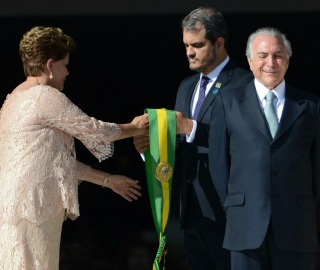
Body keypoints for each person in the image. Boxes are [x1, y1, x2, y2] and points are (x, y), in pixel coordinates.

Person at [0, 26, 149, 270]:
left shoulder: (13, 99)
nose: (67, 72)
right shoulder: (43, 96)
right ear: (50, 65)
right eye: (65, 64)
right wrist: (135, 127)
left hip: (18, 208)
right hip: (32, 209)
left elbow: (52, 163)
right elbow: (94, 130)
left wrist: (107, 180)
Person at [134, 6, 251, 269]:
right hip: (191, 213)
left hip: (229, 212)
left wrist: (192, 128)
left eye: (197, 45)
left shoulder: (244, 84)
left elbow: (246, 143)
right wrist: (151, 149)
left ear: (219, 43)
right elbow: (181, 147)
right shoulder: (186, 86)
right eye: (186, 45)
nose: (189, 52)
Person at [208, 27, 320, 270]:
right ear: (249, 61)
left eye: (278, 55)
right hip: (244, 226)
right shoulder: (227, 102)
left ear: (288, 61)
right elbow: (218, 164)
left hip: (297, 228)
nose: (271, 62)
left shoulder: (310, 106)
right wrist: (233, 205)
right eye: (262, 55)